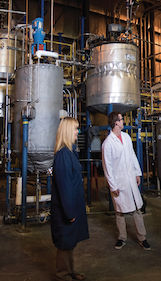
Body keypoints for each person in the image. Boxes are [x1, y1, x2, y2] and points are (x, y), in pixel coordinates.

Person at [102, 112, 150, 251]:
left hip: (130, 179)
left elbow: (132, 156)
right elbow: (107, 167)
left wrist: (137, 173)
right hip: (119, 183)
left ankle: (142, 238)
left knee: (137, 208)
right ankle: (122, 238)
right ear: (116, 122)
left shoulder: (126, 137)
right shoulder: (108, 144)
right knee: (120, 211)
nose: (123, 121)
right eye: (122, 119)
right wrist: (113, 186)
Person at [50, 117, 89, 281]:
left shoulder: (69, 152)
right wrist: (70, 212)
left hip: (73, 205)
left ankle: (70, 271)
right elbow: (65, 188)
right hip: (67, 208)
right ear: (67, 131)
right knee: (65, 241)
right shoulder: (63, 155)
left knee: (70, 241)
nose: (77, 132)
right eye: (75, 129)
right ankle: (62, 274)